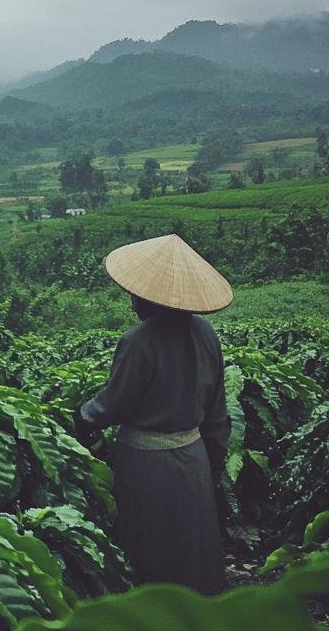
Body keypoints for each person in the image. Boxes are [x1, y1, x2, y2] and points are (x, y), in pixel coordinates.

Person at [74, 233, 232, 595]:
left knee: (150, 548)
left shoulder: (138, 341)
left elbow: (113, 403)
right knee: (192, 549)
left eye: (137, 295)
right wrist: (213, 464)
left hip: (146, 464)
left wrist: (81, 418)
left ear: (152, 298)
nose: (132, 303)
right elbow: (217, 414)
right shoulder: (207, 334)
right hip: (193, 460)